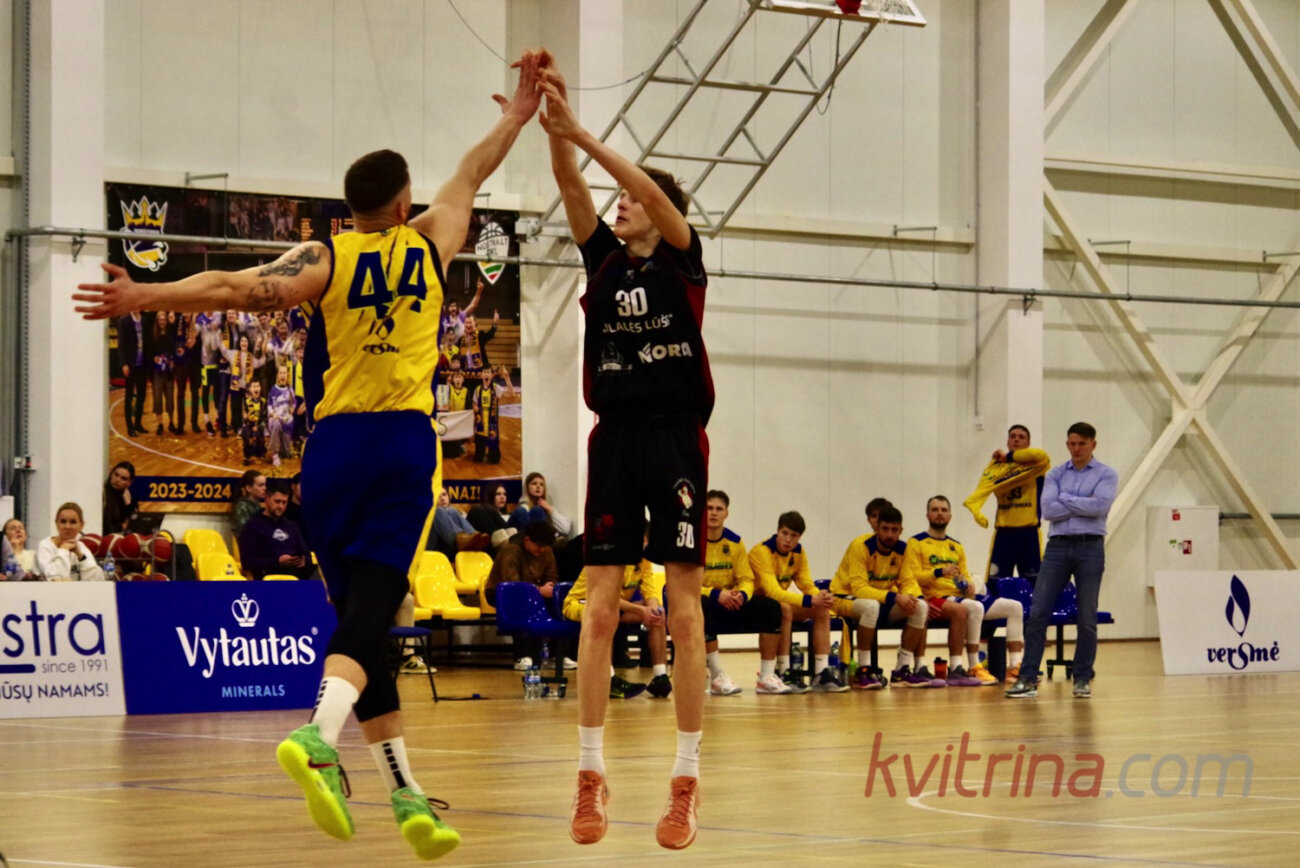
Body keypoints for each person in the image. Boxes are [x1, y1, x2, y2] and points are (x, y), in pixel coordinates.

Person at [75, 50, 542, 861]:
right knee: (374, 612)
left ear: (351, 209)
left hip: (327, 457)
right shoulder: (433, 241)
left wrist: (142, 294)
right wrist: (517, 117)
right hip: (399, 446)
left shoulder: (325, 258)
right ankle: (319, 737)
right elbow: (472, 172)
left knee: (359, 621)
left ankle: (405, 793)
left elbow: (232, 288)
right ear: (404, 203)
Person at [541, 52, 709, 849]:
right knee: (601, 608)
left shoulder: (682, 256)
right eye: (622, 201)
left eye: (632, 198)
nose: (621, 204)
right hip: (613, 439)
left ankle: (686, 780)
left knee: (683, 610)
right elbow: (571, 185)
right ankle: (590, 773)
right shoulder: (604, 262)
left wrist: (584, 133)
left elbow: (648, 193)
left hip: (675, 439)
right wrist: (554, 126)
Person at [1007, 422, 1118, 700]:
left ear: (1093, 444)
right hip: (1057, 547)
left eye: (1081, 444)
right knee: (1038, 612)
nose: (1076, 449)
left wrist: (1065, 500)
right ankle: (1027, 678)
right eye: (1072, 444)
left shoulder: (1106, 474)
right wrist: (1082, 502)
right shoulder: (1055, 474)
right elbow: (1048, 510)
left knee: (1087, 616)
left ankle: (1082, 677)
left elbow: (1100, 506)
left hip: (1090, 547)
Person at [829, 505, 939, 690]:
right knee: (870, 606)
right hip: (844, 598)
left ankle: (901, 670)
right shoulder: (861, 546)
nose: (889, 534)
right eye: (885, 529)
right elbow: (859, 589)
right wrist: (895, 597)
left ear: (901, 530)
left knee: (920, 606)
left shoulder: (902, 549)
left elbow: (908, 581)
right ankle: (864, 670)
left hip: (881, 601)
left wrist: (913, 597)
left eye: (894, 530)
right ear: (877, 528)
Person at [901, 496, 999, 687]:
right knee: (960, 611)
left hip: (953, 597)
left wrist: (968, 585)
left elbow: (964, 575)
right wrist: (938, 572)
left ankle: (965, 666)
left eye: (944, 510)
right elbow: (911, 577)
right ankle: (928, 666)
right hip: (929, 596)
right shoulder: (916, 542)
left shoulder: (956, 546)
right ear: (927, 515)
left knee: (974, 606)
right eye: (935, 509)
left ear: (950, 516)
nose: (940, 513)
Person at [562, 524, 665, 699]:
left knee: (658, 615)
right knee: (606, 615)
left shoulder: (643, 560)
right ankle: (609, 680)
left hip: (615, 606)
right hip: (579, 603)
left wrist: (653, 608)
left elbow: (650, 591)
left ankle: (660, 676)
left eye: (643, 541)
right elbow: (606, 598)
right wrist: (641, 610)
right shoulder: (609, 558)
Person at [749, 511, 847, 694]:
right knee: (784, 608)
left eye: (793, 536)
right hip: (757, 606)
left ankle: (821, 673)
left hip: (779, 604)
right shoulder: (761, 552)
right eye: (784, 533)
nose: (788, 540)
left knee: (821, 609)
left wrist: (821, 597)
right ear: (777, 531)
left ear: (799, 537)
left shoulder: (798, 552)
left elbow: (806, 585)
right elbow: (773, 592)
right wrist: (811, 599)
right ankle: (784, 671)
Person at [699, 491, 785, 695]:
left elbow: (746, 578)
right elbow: (686, 583)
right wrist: (716, 594)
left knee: (771, 607)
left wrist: (742, 595)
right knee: (703, 604)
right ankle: (717, 676)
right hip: (706, 601)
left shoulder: (735, 542)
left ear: (726, 514)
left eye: (718, 509)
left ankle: (766, 677)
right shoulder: (694, 541)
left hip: (730, 601)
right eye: (709, 508)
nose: (713, 513)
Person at [964, 424, 1051, 588]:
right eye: (1012, 436)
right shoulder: (999, 468)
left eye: (1021, 437)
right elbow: (987, 486)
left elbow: (1041, 454)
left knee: (1034, 584)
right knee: (995, 583)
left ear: (1028, 443)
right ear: (1007, 441)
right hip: (1004, 533)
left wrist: (1009, 456)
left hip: (1028, 533)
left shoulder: (1037, 465)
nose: (1016, 439)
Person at [484, 520, 569, 671]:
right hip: (501, 593)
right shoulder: (511, 550)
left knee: (560, 604)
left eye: (545, 547)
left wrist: (551, 588)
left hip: (535, 591)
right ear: (527, 540)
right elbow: (512, 583)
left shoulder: (546, 550)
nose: (542, 550)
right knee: (522, 603)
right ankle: (522, 655)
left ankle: (556, 655)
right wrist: (539, 590)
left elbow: (552, 575)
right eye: (539, 546)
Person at [238, 483, 314, 580]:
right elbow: (247, 562)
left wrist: (303, 561)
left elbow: (307, 555)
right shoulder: (252, 526)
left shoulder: (291, 526)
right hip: (266, 578)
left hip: (295, 576)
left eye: (284, 502)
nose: (281, 506)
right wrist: (277, 562)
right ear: (266, 498)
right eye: (277, 501)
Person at [35, 503, 106, 581]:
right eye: (63, 521)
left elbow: (96, 579)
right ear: (56, 523)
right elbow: (55, 578)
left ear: (81, 525)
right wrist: (64, 549)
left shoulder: (80, 547)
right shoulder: (45, 546)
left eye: (73, 522)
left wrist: (81, 557)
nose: (67, 527)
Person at [510, 471, 574, 539]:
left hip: (541, 540)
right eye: (534, 484)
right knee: (523, 511)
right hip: (525, 539)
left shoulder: (548, 508)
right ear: (527, 487)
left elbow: (566, 529)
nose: (538, 487)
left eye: (541, 484)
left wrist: (550, 510)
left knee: (538, 509)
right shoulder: (523, 507)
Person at [116, 310, 150, 436]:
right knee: (129, 396)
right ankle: (129, 427)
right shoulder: (124, 320)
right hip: (130, 364)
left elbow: (148, 343)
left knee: (142, 395)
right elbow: (121, 344)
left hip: (142, 365)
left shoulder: (144, 321)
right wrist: (124, 363)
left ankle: (138, 424)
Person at [428, 490, 490, 555]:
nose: (442, 498)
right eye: (437, 496)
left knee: (451, 510)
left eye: (444, 494)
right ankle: (461, 539)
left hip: (451, 549)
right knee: (438, 510)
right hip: (431, 549)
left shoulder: (453, 511)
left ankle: (475, 539)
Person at [150, 312, 176, 434]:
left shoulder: (171, 334)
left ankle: (171, 422)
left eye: (164, 320)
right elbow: (149, 351)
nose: (162, 322)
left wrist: (173, 361)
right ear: (157, 321)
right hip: (157, 371)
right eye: (160, 320)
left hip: (169, 371)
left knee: (170, 397)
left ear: (166, 321)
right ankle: (160, 424)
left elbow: (174, 349)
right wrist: (153, 358)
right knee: (157, 398)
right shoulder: (153, 335)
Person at [467, 483, 515, 549]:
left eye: (504, 494)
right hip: (491, 546)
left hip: (508, 545)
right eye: (498, 494)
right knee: (477, 509)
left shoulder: (509, 516)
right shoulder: (481, 513)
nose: (502, 497)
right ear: (490, 495)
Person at [267, 365, 296, 467]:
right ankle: (274, 454)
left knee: (285, 453)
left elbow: (294, 404)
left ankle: (282, 449)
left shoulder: (290, 390)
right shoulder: (273, 390)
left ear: (287, 375)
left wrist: (292, 409)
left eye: (284, 373)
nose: (283, 375)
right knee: (276, 423)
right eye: (281, 373)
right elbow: (269, 405)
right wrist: (273, 414)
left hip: (287, 422)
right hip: (275, 419)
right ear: (278, 375)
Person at [102, 461, 139, 536]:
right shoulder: (101, 494)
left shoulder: (130, 499)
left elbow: (133, 524)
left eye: (123, 478)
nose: (117, 480)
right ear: (111, 474)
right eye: (116, 475)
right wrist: (121, 527)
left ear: (129, 482)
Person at [230, 470, 266, 539]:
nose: (264, 488)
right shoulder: (242, 506)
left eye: (264, 485)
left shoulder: (257, 504)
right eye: (260, 485)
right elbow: (244, 533)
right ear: (249, 488)